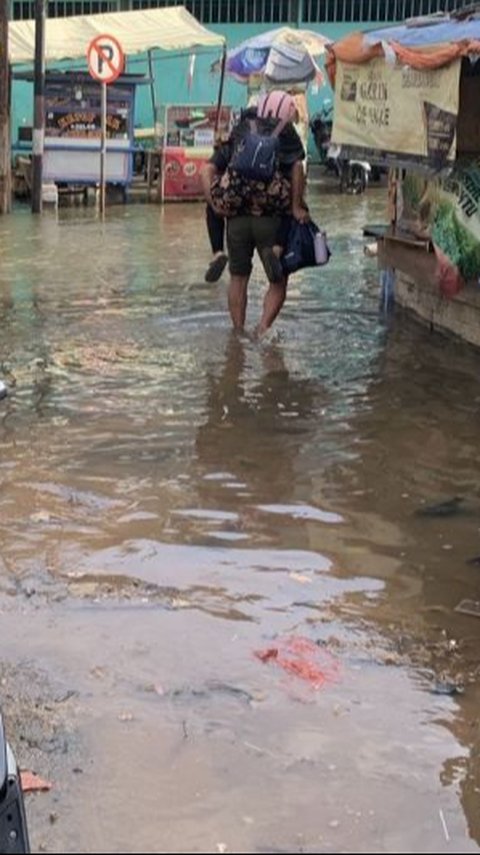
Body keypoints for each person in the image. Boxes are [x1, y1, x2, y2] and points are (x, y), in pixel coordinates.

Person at [201, 91, 308, 336]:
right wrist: (296, 206)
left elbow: (207, 170)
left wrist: (215, 204)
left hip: (236, 218)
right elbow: (297, 169)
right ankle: (262, 329)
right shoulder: (288, 134)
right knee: (278, 281)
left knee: (238, 278)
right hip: (271, 219)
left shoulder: (241, 129)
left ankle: (238, 334)